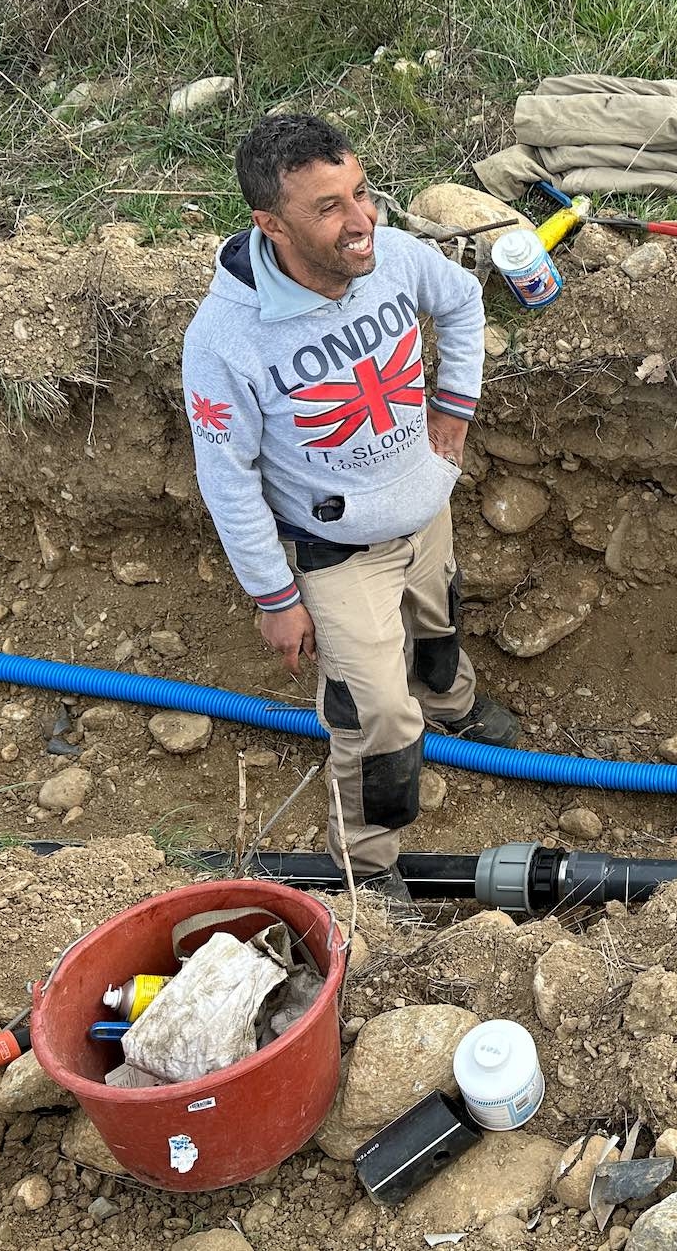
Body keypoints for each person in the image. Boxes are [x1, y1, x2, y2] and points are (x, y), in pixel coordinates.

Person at [181, 114, 520, 901]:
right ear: (271, 224)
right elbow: (226, 478)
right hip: (335, 554)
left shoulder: (391, 254)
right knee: (379, 725)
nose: (362, 220)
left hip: (423, 507)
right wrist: (275, 598)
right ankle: (363, 869)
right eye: (329, 208)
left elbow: (464, 301)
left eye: (362, 192)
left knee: (439, 623)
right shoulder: (225, 340)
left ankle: (455, 703)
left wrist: (455, 408)